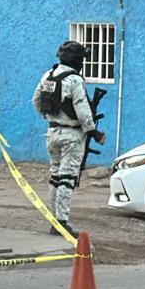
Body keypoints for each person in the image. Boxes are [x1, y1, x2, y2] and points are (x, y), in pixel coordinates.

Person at [32, 40, 105, 236]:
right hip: (71, 136)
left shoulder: (48, 75)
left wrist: (50, 117)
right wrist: (94, 133)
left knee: (55, 177)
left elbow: (36, 101)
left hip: (52, 133)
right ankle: (62, 222)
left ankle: (54, 221)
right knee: (66, 179)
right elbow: (83, 111)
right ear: (75, 60)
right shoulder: (74, 80)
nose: (82, 63)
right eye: (81, 59)